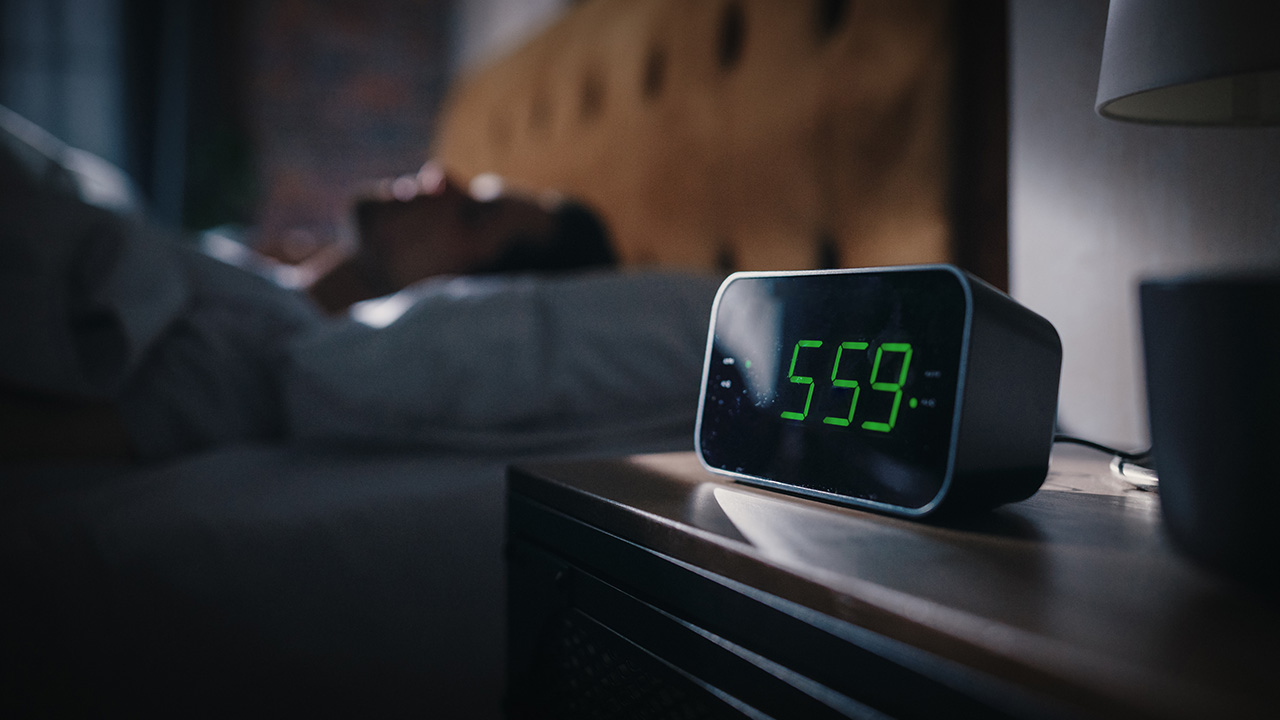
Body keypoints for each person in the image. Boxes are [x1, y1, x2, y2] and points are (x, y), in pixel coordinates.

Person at [0, 106, 721, 463]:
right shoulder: (257, 277)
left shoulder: (264, 353)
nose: (440, 177)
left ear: (460, 293)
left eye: (472, 215)